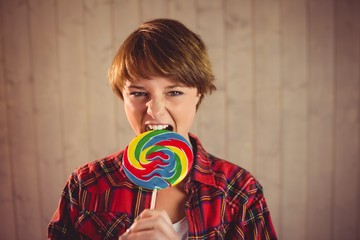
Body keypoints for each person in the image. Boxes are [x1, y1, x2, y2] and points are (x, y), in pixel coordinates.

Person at [48, 18, 277, 240]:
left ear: (198, 93)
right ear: (122, 96)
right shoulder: (86, 186)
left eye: (174, 92)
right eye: (138, 93)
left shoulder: (240, 193)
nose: (155, 111)